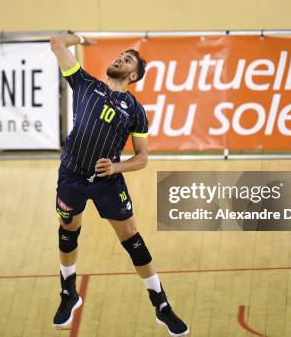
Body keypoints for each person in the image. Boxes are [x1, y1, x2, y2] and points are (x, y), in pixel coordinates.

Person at [49, 33, 189, 336]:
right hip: (71, 176)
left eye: (126, 59)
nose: (119, 59)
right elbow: (56, 43)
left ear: (133, 75)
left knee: (132, 239)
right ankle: (68, 292)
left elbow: (142, 159)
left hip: (107, 183)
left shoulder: (135, 111)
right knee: (68, 231)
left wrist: (115, 167)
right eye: (119, 56)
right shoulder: (84, 83)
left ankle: (161, 305)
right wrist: (81, 37)